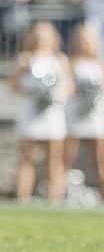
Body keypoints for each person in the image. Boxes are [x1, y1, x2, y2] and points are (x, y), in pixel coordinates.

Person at [10, 21, 73, 203]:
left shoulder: (60, 59)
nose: (41, 39)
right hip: (31, 111)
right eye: (38, 35)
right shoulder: (25, 58)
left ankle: (54, 198)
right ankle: (22, 197)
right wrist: (34, 91)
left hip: (53, 112)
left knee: (54, 158)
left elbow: (69, 86)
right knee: (26, 157)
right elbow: (14, 84)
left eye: (45, 35)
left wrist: (53, 94)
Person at [63, 22, 104, 201]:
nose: (85, 43)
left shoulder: (101, 63)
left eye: (88, 40)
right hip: (76, 114)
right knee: (66, 158)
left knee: (101, 160)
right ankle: (57, 195)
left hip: (97, 116)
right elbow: (65, 88)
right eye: (82, 40)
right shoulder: (70, 62)